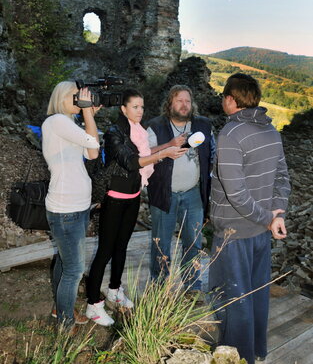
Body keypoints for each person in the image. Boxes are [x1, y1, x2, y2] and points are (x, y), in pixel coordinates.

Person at [86, 88, 187, 326]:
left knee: (121, 247)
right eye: (135, 107)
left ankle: (114, 290)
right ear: (123, 108)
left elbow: (144, 152)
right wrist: (165, 154)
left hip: (133, 195)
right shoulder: (114, 133)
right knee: (105, 250)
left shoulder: (138, 132)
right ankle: (93, 304)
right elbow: (132, 162)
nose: (140, 111)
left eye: (142, 107)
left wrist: (167, 147)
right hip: (114, 198)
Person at [209, 73, 291, 364]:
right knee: (256, 294)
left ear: (231, 100)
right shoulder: (271, 131)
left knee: (230, 298)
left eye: (223, 96)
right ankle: (256, 350)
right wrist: (276, 213)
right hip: (259, 232)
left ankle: (237, 357)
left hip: (234, 231)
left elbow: (236, 193)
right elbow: (283, 178)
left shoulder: (231, 134)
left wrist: (268, 219)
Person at [42, 81, 100, 332]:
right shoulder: (56, 121)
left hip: (75, 206)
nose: (79, 100)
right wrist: (88, 113)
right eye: (75, 97)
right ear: (62, 97)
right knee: (74, 269)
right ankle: (65, 324)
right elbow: (96, 145)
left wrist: (88, 117)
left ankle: (60, 308)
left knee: (65, 263)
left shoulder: (67, 124)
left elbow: (91, 154)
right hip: (66, 208)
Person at [147, 85, 215, 295]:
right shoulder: (155, 126)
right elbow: (144, 154)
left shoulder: (203, 125)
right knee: (161, 244)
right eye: (179, 100)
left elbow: (213, 154)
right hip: (164, 193)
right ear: (170, 103)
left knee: (193, 243)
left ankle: (192, 287)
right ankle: (159, 287)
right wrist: (168, 146)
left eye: (187, 101)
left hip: (193, 193)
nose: (184, 105)